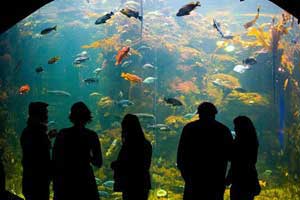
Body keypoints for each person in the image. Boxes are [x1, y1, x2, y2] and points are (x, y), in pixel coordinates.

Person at [177, 102, 233, 200]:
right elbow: (231, 156)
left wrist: (185, 175)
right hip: (216, 178)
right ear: (215, 113)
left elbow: (181, 154)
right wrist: (227, 178)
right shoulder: (223, 130)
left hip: (193, 178)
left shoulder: (189, 128)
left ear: (199, 113)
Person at [52, 101, 102, 200]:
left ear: (71, 116)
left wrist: (55, 183)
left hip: (66, 180)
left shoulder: (63, 134)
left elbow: (55, 161)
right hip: (86, 181)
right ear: (87, 116)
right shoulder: (92, 135)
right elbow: (98, 162)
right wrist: (87, 157)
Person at [111, 114, 152, 200]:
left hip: (129, 184)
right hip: (143, 183)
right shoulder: (146, 144)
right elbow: (146, 165)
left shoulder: (128, 145)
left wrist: (114, 165)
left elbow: (125, 165)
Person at [20, 102, 53, 200]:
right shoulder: (35, 132)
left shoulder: (30, 131)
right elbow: (37, 155)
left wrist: (48, 137)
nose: (47, 115)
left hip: (33, 180)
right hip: (37, 181)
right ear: (38, 114)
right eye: (45, 112)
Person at [226, 116, 260, 200]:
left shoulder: (239, 142)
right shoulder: (253, 140)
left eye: (236, 126)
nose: (234, 128)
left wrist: (229, 179)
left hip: (239, 180)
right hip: (250, 177)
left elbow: (233, 160)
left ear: (241, 128)